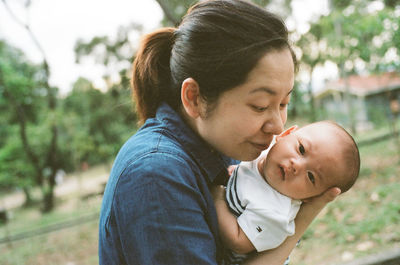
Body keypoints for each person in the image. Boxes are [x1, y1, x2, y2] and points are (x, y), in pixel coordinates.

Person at [98, 0, 341, 264]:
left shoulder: (225, 149)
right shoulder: (156, 174)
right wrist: (302, 220)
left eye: (283, 104)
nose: (278, 127)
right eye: (260, 106)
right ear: (194, 98)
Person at [212, 121, 360, 265]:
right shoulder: (262, 149)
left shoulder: (275, 213)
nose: (297, 165)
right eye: (301, 149)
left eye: (311, 177)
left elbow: (238, 241)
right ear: (286, 134)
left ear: (311, 198)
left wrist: (218, 197)